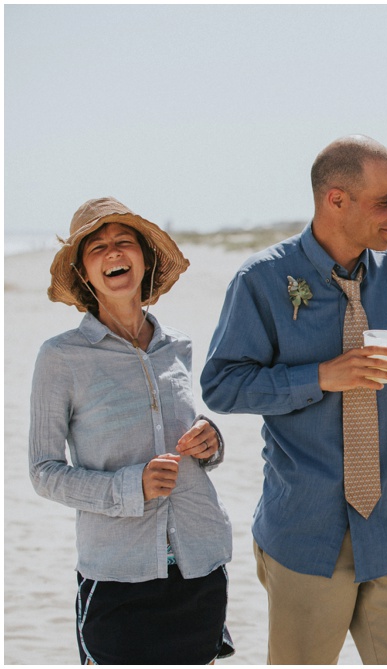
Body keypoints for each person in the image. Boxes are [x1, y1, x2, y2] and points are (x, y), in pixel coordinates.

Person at [201, 135, 387, 664]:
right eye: (386, 201)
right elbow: (221, 385)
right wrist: (320, 376)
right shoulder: (262, 280)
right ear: (335, 199)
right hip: (305, 534)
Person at [30, 197, 234, 664]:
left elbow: (190, 436)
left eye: (124, 242)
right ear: (84, 273)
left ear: (146, 260)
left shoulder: (176, 347)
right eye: (96, 247)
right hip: (117, 579)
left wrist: (212, 441)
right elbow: (43, 472)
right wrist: (130, 487)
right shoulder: (60, 358)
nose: (113, 252)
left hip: (199, 566)